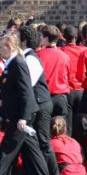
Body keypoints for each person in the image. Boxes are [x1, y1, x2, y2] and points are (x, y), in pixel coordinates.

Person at [0, 34, 49, 175]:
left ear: (9, 47)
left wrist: (24, 117)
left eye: (1, 46)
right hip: (16, 115)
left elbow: (26, 92)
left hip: (18, 117)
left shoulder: (18, 63)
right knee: (33, 153)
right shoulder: (11, 64)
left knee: (6, 153)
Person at [19, 24, 60, 175]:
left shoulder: (31, 59)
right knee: (35, 142)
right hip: (37, 103)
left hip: (41, 104)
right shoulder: (27, 57)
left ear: (23, 41)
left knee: (43, 142)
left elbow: (26, 84)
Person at [37, 25, 72, 119]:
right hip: (61, 97)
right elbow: (68, 76)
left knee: (45, 131)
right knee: (60, 130)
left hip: (45, 97)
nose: (40, 38)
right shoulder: (65, 56)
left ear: (46, 38)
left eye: (41, 36)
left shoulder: (39, 56)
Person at [61, 25, 86, 137]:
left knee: (68, 125)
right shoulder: (84, 50)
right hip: (82, 89)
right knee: (82, 123)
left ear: (64, 37)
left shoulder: (61, 51)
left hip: (68, 90)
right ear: (76, 37)